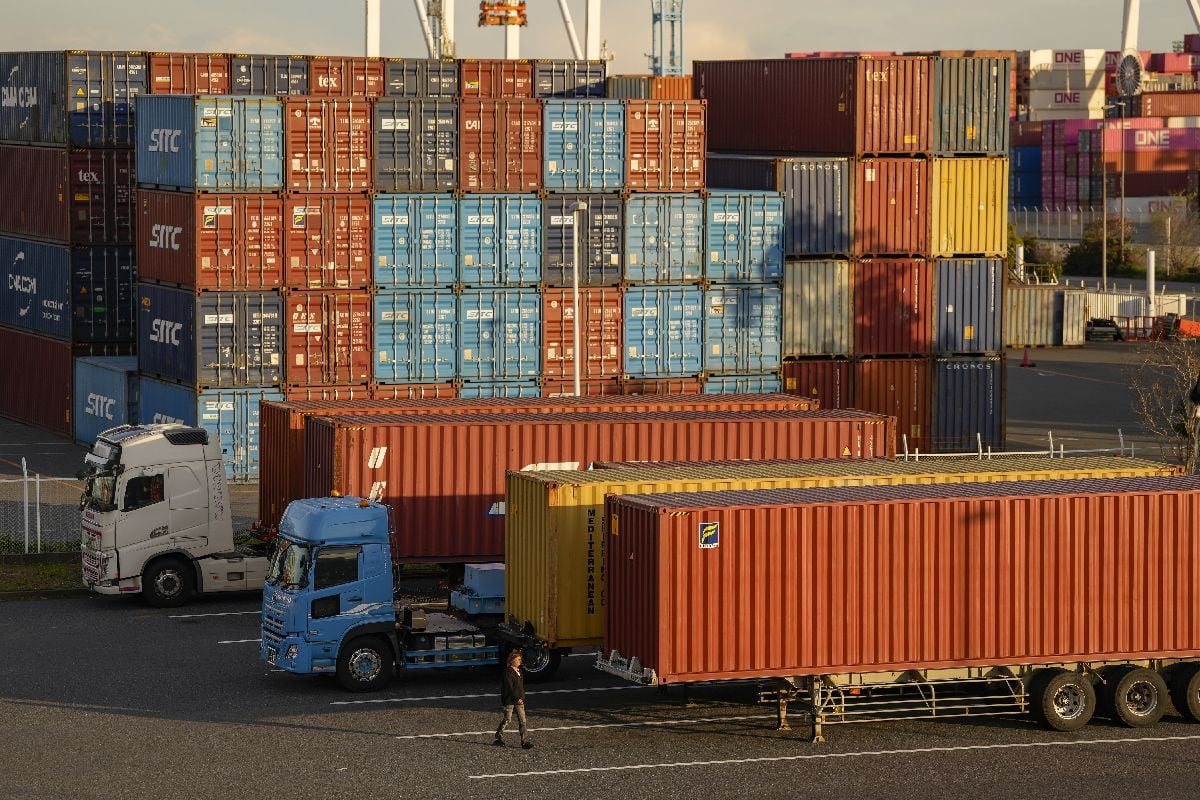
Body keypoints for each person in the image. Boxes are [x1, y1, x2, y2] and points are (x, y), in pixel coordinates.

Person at [494, 650, 533, 749]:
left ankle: (524, 741)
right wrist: (517, 698)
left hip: (519, 699)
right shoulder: (507, 672)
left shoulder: (520, 671)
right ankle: (498, 737)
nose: (519, 661)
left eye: (520, 659)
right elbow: (510, 687)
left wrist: (522, 697)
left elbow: (521, 687)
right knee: (507, 719)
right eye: (517, 660)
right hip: (510, 699)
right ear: (511, 661)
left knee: (522, 720)